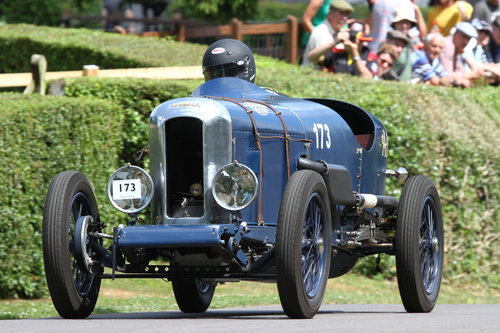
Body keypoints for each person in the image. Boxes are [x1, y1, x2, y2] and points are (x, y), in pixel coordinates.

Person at [302, 0, 354, 68]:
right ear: (330, 14)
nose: (344, 18)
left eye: (346, 14)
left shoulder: (340, 31)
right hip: (314, 75)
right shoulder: (321, 32)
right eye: (341, 14)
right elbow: (322, 61)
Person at [439, 21, 478, 87]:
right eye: (464, 37)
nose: (466, 42)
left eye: (468, 39)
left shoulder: (456, 47)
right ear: (456, 34)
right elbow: (447, 75)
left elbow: (459, 70)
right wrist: (463, 79)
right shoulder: (448, 46)